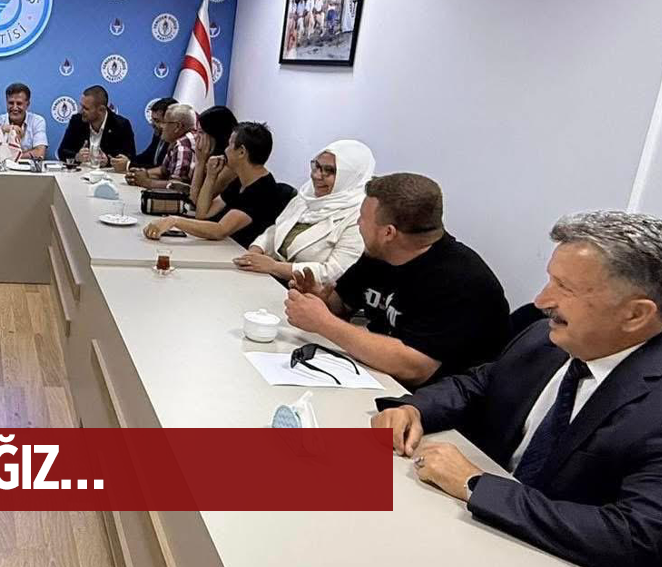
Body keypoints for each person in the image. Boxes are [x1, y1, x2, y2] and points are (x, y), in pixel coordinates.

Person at [372, 211, 662, 566]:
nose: (541, 301)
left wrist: (474, 484)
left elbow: (636, 535)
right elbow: (480, 384)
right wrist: (414, 408)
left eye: (565, 288)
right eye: (550, 280)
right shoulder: (545, 336)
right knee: (314, 495)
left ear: (635, 315)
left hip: (536, 551)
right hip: (463, 524)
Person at [282, 173, 510, 387]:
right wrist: (321, 299)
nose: (358, 224)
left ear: (388, 233)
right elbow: (343, 303)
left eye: (362, 218)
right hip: (370, 373)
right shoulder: (380, 254)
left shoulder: (462, 281)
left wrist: (324, 323)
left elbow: (414, 367)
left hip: (426, 401)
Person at [233, 139, 374, 285]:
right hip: (269, 278)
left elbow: (333, 272)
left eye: (329, 171)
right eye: (317, 166)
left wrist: (275, 267)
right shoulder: (308, 196)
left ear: (350, 177)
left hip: (306, 291)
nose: (317, 175)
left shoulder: (359, 217)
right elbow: (276, 229)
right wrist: (254, 252)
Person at [145, 122, 294, 247]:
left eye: (230, 145)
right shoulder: (239, 181)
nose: (226, 150)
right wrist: (211, 176)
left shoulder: (262, 189)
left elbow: (220, 230)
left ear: (241, 152)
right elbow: (202, 214)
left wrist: (174, 221)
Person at [57, 85, 136, 166]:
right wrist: (77, 156)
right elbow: (62, 152)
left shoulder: (121, 125)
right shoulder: (77, 121)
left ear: (101, 110)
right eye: (81, 106)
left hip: (108, 172)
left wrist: (108, 161)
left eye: (86, 108)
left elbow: (130, 157)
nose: (81, 111)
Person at [126, 103, 197, 190]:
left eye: (165, 122)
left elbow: (177, 187)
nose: (161, 126)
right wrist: (138, 175)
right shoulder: (176, 142)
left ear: (178, 126)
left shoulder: (182, 146)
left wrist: (147, 182)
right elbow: (163, 171)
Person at [185, 105, 239, 205]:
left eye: (201, 132)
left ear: (215, 135)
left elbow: (195, 201)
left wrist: (200, 162)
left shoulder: (230, 167)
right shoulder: (211, 157)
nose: (196, 137)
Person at [0, 82, 48, 161]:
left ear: (27, 104)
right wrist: (1, 130)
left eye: (19, 103)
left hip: (26, 168)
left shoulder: (37, 121)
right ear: (6, 102)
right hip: (0, 168)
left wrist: (9, 158)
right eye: (11, 103)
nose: (15, 108)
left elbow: (39, 153)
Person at [112, 97, 176, 173]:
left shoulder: (176, 142)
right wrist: (124, 161)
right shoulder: (158, 134)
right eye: (152, 120)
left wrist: (128, 165)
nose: (152, 124)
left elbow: (162, 169)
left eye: (157, 121)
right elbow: (147, 156)